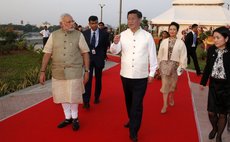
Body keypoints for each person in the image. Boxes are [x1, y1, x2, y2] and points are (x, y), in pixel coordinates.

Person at [110, 9, 158, 142]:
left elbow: (152, 56)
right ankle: (131, 119)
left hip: (141, 76)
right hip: (125, 74)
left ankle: (134, 131)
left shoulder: (147, 36)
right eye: (128, 18)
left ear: (139, 20)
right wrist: (114, 42)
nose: (130, 21)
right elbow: (114, 51)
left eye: (133, 18)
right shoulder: (122, 35)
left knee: (137, 104)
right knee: (129, 101)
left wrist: (152, 72)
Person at [39, 13, 90, 131]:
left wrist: (86, 71)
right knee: (62, 95)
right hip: (58, 71)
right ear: (61, 23)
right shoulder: (54, 35)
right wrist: (42, 71)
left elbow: (85, 53)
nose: (71, 23)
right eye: (68, 22)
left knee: (73, 95)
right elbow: (47, 53)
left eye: (72, 21)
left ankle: (75, 118)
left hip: (74, 71)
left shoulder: (79, 35)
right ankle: (68, 118)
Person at [200, 26, 230, 142]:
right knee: (211, 113)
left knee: (223, 114)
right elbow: (208, 67)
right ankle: (215, 128)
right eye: (214, 37)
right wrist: (203, 82)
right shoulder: (212, 50)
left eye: (218, 38)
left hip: (227, 87)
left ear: (226, 39)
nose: (215, 40)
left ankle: (219, 136)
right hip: (213, 85)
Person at [157, 22, 187, 114]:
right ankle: (165, 105)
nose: (172, 31)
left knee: (173, 86)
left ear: (177, 31)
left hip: (175, 66)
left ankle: (172, 95)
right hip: (164, 65)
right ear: (168, 30)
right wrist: (158, 66)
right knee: (165, 85)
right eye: (170, 29)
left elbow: (183, 56)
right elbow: (160, 54)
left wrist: (181, 66)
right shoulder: (164, 41)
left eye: (174, 29)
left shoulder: (181, 43)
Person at [82, 16, 110, 109]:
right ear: (89, 24)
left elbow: (106, 46)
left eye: (96, 23)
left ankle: (97, 97)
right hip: (88, 60)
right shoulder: (84, 33)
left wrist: (103, 56)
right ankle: (86, 101)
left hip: (99, 59)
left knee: (98, 79)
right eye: (92, 23)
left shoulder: (104, 33)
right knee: (87, 80)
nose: (94, 25)